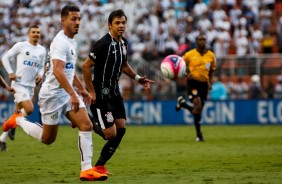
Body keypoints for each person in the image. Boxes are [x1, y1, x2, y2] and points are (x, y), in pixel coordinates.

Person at [2, 4, 107, 181]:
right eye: (73, 19)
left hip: (65, 92)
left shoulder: (71, 41)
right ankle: (18, 119)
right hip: (50, 95)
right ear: (63, 20)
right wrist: (74, 94)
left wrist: (81, 90)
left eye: (79, 19)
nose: (77, 22)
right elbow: (58, 71)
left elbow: (69, 71)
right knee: (48, 139)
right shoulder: (60, 42)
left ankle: (86, 169)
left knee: (86, 125)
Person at [82, 9, 155, 175]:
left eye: (123, 22)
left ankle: (100, 166)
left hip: (114, 92)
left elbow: (123, 65)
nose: (121, 26)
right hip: (100, 94)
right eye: (117, 23)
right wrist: (91, 92)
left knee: (121, 129)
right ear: (110, 25)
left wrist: (137, 78)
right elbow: (86, 66)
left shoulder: (124, 43)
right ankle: (88, 120)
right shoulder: (103, 44)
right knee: (110, 134)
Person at [0, 25, 46, 152]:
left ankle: (2, 139)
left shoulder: (42, 50)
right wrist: (10, 72)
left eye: (38, 32)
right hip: (19, 84)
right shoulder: (21, 45)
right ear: (29, 33)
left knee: (18, 113)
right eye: (33, 32)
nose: (36, 34)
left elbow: (42, 67)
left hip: (31, 86)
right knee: (29, 109)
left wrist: (40, 75)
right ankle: (14, 123)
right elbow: (5, 57)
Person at [176, 33, 216, 142]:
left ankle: (183, 104)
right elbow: (181, 67)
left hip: (204, 84)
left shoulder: (211, 55)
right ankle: (199, 134)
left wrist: (209, 82)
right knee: (197, 104)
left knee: (198, 110)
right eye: (200, 39)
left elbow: (212, 70)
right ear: (196, 41)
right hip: (192, 83)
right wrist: (186, 74)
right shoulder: (189, 54)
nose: (202, 41)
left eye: (204, 39)